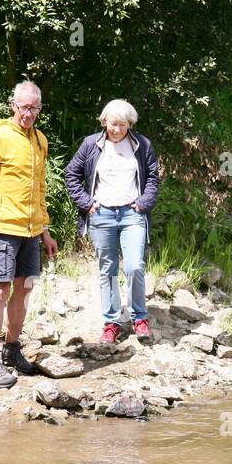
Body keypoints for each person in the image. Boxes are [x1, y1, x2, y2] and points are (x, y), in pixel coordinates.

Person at [0, 81, 58, 387]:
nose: (28, 113)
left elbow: (40, 189)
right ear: (13, 105)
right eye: (23, 107)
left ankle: (12, 350)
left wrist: (45, 232)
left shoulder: (40, 141)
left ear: (40, 109)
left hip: (31, 232)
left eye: (34, 108)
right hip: (3, 229)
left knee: (25, 289)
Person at [63, 99, 161, 343]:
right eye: (112, 123)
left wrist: (144, 202)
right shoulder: (90, 144)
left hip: (132, 214)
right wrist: (87, 204)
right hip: (101, 215)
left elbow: (152, 178)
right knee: (108, 269)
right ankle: (111, 323)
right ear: (104, 121)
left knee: (134, 266)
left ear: (130, 124)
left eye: (122, 124)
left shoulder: (142, 145)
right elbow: (71, 174)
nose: (116, 129)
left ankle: (139, 318)